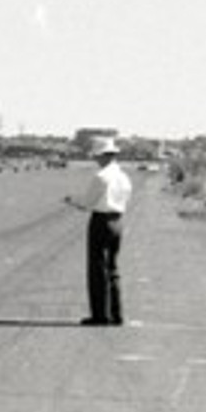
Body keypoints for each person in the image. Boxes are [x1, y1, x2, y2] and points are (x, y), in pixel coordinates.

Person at [64, 137, 132, 326]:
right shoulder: (124, 177)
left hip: (101, 220)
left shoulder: (101, 177)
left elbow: (87, 203)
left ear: (102, 156)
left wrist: (72, 200)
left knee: (97, 268)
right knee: (112, 268)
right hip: (117, 220)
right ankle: (116, 313)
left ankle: (100, 314)